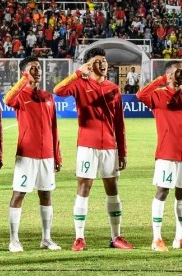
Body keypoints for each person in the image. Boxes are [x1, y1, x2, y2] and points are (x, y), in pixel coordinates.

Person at [54, 47, 134, 251]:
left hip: (109, 146)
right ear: (90, 65)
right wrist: (79, 72)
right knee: (84, 188)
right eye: (98, 61)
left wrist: (122, 151)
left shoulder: (113, 88)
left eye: (105, 61)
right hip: (87, 145)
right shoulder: (80, 84)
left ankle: (116, 237)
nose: (104, 64)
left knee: (112, 189)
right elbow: (58, 91)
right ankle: (79, 237)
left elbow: (119, 123)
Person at [136, 61, 182, 252]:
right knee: (162, 191)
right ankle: (157, 239)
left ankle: (179, 238)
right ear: (170, 75)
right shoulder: (158, 95)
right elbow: (140, 95)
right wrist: (163, 79)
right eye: (179, 71)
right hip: (166, 153)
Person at [4, 56, 61, 252]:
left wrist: (57, 155)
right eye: (32, 68)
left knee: (46, 194)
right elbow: (7, 99)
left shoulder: (48, 97)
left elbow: (54, 129)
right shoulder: (20, 95)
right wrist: (23, 80)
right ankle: (14, 240)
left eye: (38, 68)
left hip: (47, 155)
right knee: (19, 194)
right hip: (26, 154)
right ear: (24, 72)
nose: (37, 71)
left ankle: (46, 238)